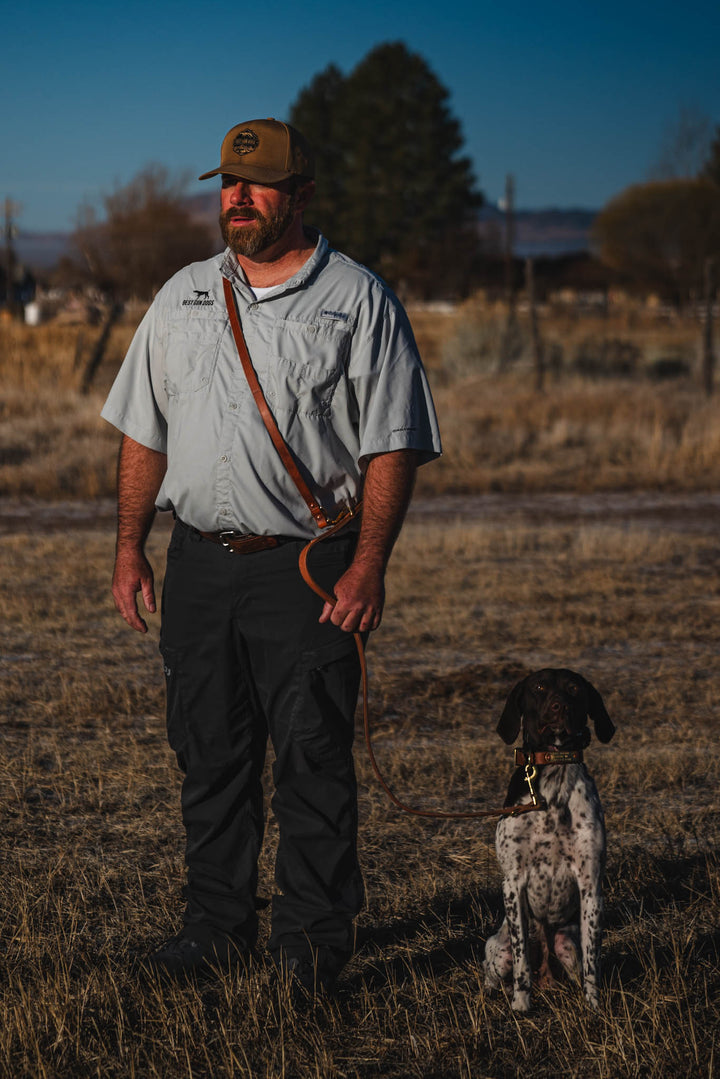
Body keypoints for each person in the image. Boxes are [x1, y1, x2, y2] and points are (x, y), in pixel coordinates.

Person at [101, 117, 441, 995]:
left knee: (314, 762)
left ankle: (313, 947)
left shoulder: (358, 301)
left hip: (307, 571)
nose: (238, 198)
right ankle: (214, 930)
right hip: (200, 569)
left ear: (302, 196)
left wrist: (368, 566)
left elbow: (392, 445)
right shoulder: (180, 295)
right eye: (228, 182)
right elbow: (145, 433)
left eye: (260, 184)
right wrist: (130, 547)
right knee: (209, 755)